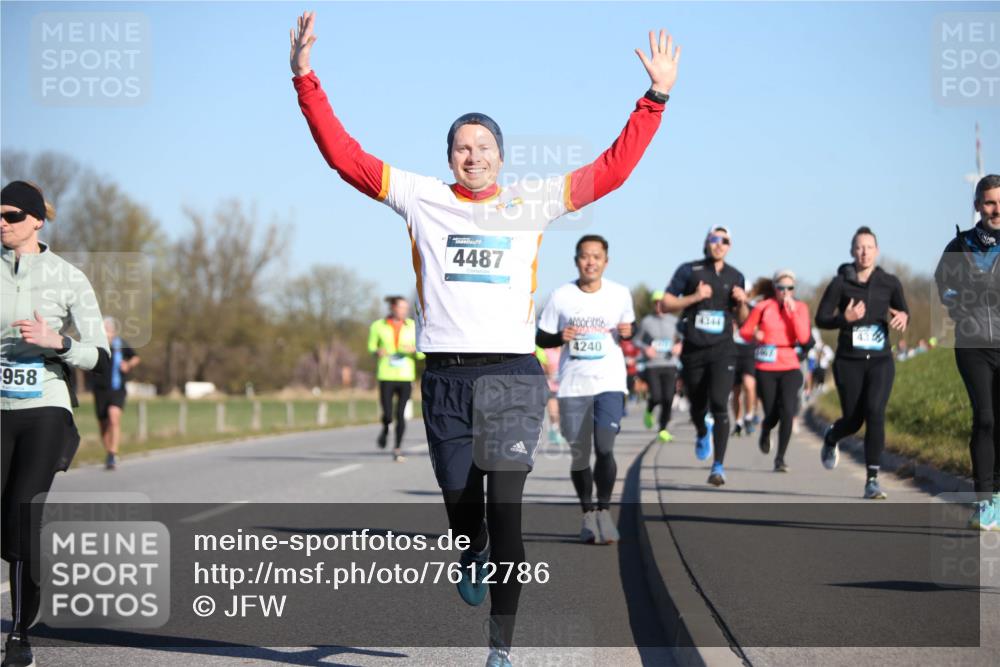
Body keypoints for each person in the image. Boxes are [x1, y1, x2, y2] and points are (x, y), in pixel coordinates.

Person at [290, 12, 680, 664]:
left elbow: (612, 170)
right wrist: (306, 78)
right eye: (462, 147)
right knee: (459, 497)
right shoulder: (419, 197)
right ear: (449, 156)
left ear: (502, 154)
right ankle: (465, 546)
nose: (473, 155)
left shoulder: (531, 200)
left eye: (484, 146)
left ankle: (501, 647)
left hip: (511, 375)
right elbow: (343, 155)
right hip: (444, 375)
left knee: (507, 510)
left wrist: (655, 98)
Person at [2, 180, 110, 667]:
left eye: (11, 216)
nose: (2, 224)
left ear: (36, 221)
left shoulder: (68, 278)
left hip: (45, 408)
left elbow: (98, 354)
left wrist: (56, 342)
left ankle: (18, 635)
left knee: (22, 515)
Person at [536, 235, 635, 544]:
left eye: (596, 256)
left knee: (604, 447)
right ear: (576, 260)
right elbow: (542, 337)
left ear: (606, 261)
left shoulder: (620, 294)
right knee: (580, 454)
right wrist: (559, 337)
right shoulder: (561, 295)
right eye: (584, 256)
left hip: (609, 383)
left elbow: (630, 332)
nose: (590, 261)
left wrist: (630, 331)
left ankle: (604, 512)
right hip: (572, 385)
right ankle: (588, 515)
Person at [815, 226, 908, 500]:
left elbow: (904, 311)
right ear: (852, 251)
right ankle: (832, 437)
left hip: (880, 360)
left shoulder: (890, 282)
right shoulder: (840, 283)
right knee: (854, 421)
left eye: (869, 247)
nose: (864, 252)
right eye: (859, 247)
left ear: (877, 251)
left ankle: (872, 480)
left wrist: (904, 317)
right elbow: (821, 319)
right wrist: (845, 318)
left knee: (875, 412)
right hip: (848, 361)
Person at [935, 174, 1000, 530]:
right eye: (989, 202)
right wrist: (956, 301)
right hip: (973, 344)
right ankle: (984, 501)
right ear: (977, 205)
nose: (996, 210)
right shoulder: (959, 246)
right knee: (985, 417)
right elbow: (942, 284)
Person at [661, 226, 749, 486]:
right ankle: (701, 430)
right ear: (707, 242)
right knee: (698, 404)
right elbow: (666, 303)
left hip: (723, 350)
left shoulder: (736, 276)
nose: (719, 244)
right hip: (694, 350)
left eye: (724, 241)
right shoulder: (689, 270)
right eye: (714, 239)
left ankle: (718, 466)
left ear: (730, 246)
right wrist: (695, 296)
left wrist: (742, 302)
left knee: (721, 404)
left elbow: (743, 321)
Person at [739, 270, 811, 472]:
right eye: (781, 288)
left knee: (788, 410)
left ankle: (780, 458)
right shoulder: (763, 307)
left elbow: (804, 338)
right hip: (766, 366)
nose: (785, 292)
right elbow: (744, 332)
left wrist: (793, 312)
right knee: (771, 412)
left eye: (790, 288)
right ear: (774, 289)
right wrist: (756, 333)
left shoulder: (801, 308)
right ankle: (765, 429)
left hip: (790, 365)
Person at [368, 296, 423, 462]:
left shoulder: (413, 326)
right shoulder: (378, 326)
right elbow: (371, 346)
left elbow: (421, 352)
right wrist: (377, 351)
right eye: (401, 308)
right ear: (393, 308)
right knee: (387, 413)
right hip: (386, 374)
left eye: (406, 308)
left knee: (401, 413)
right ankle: (385, 428)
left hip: (405, 375)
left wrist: (414, 350)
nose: (404, 311)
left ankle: (397, 448)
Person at [90, 316, 140, 470]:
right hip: (100, 390)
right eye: (104, 329)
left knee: (114, 416)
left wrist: (128, 364)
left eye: (108, 329)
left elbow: (136, 357)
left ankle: (113, 453)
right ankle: (109, 452)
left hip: (117, 388)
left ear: (113, 331)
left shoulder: (121, 344)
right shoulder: (95, 345)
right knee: (103, 424)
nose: (107, 332)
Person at [636, 290, 681, 442]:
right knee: (656, 396)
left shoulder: (674, 321)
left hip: (670, 364)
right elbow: (636, 340)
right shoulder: (646, 321)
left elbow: (683, 338)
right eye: (656, 302)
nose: (659, 305)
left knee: (668, 398)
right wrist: (645, 348)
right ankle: (649, 409)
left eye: (661, 302)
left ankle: (663, 429)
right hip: (652, 365)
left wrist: (679, 346)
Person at [534, 345, 566, 446]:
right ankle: (554, 430)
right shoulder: (546, 350)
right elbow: (541, 364)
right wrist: (548, 371)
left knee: (562, 411)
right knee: (554, 411)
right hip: (550, 385)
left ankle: (557, 430)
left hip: (563, 385)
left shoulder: (564, 350)